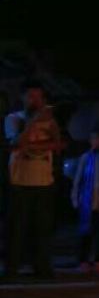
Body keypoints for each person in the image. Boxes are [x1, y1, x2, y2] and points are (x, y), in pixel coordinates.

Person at [4, 81, 63, 279]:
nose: (35, 101)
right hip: (20, 181)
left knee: (43, 229)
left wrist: (34, 146)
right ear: (23, 98)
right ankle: (12, 269)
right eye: (31, 97)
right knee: (17, 228)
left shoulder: (51, 121)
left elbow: (58, 144)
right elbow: (15, 143)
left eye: (38, 97)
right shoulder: (13, 118)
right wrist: (33, 123)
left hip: (44, 181)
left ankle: (42, 268)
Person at [71, 132, 99, 276]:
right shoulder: (85, 158)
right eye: (94, 139)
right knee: (85, 231)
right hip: (87, 197)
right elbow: (78, 178)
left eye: (98, 139)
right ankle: (83, 260)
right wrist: (75, 198)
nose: (96, 142)